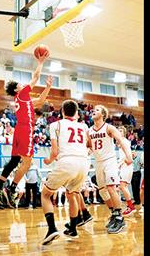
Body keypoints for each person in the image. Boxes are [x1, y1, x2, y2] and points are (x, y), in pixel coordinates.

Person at [0, 49, 51, 208]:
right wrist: (40, 62)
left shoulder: (23, 100)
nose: (22, 84)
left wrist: (48, 87)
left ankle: (0, 185)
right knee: (27, 162)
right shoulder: (23, 94)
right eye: (19, 84)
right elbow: (35, 77)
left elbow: (40, 100)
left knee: (15, 160)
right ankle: (11, 188)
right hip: (25, 129)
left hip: (20, 129)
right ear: (17, 89)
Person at [41, 100, 90, 245]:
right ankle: (73, 229)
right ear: (76, 113)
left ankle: (51, 229)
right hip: (84, 163)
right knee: (72, 193)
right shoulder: (84, 126)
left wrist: (49, 161)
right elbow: (90, 145)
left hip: (67, 161)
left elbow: (55, 152)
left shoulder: (56, 124)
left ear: (62, 112)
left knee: (45, 194)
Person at [88, 105, 132, 233]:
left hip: (110, 161)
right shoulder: (89, 131)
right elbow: (89, 147)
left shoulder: (109, 127)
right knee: (102, 192)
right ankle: (114, 214)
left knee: (112, 188)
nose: (93, 111)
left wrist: (128, 156)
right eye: (93, 110)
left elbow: (121, 141)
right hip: (98, 162)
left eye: (96, 110)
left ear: (103, 114)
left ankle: (120, 218)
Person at [117, 125, 136, 216]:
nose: (118, 132)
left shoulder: (124, 141)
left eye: (121, 131)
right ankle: (125, 206)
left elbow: (128, 155)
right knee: (121, 187)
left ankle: (131, 207)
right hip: (124, 166)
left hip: (126, 166)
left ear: (124, 133)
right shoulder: (121, 142)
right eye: (118, 131)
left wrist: (120, 163)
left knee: (122, 186)